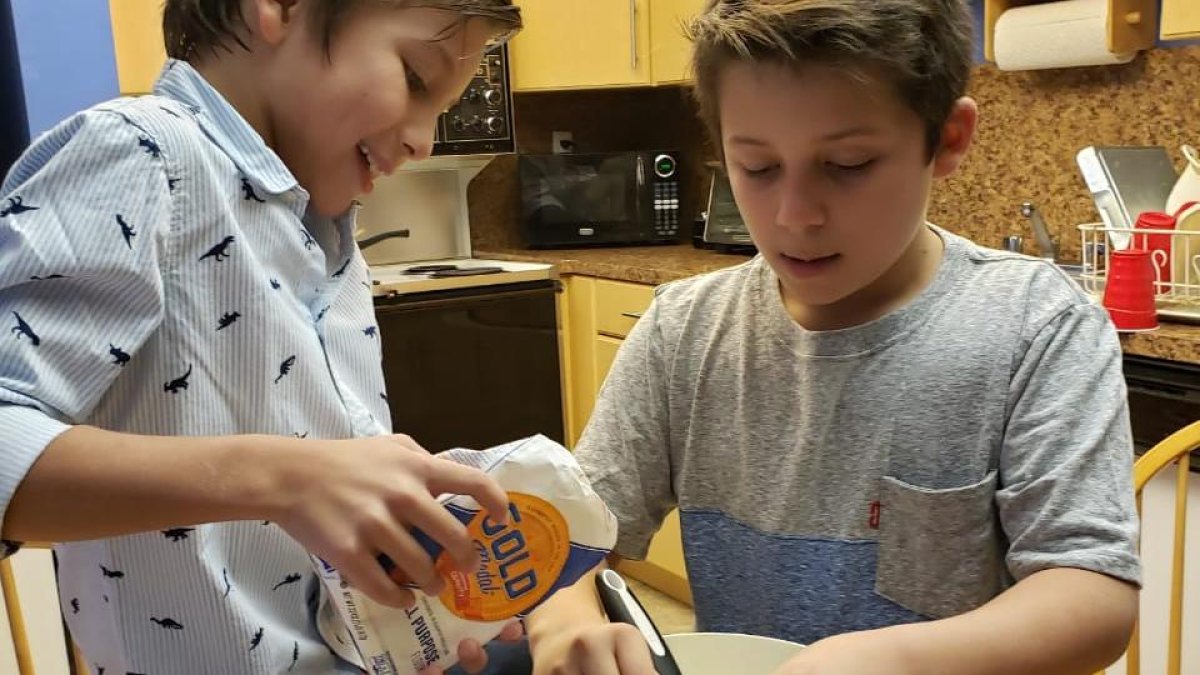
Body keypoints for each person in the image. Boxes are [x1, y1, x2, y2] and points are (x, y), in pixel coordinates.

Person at [517, 1, 1142, 673]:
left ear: (949, 140)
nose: (795, 215)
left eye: (847, 164)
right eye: (756, 168)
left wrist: (899, 661)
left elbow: (1092, 593)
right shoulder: (684, 331)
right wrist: (566, 615)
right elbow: (572, 539)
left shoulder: (1034, 327)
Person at [0, 0, 522, 672]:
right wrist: (283, 477)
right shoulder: (139, 152)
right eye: (416, 79)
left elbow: (320, 512)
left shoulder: (322, 222)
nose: (425, 139)